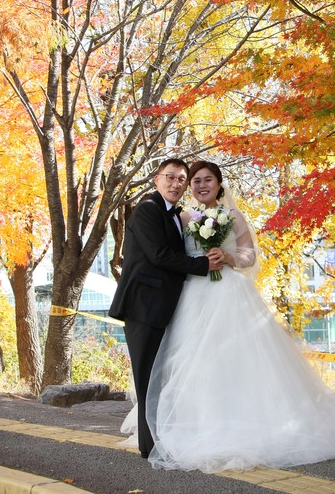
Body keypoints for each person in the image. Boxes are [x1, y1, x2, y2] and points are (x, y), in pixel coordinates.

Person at [136, 160, 335, 472]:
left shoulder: (233, 216)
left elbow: (249, 256)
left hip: (228, 293)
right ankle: (194, 425)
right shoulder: (182, 217)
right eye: (196, 181)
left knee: (238, 360)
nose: (201, 185)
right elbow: (171, 255)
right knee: (190, 362)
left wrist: (227, 256)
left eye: (208, 180)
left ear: (219, 184)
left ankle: (246, 426)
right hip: (191, 295)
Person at [108, 158, 224, 458]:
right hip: (143, 306)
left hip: (162, 306)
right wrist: (202, 264)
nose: (175, 183)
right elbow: (159, 255)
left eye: (181, 180)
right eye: (170, 177)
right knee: (148, 378)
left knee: (158, 378)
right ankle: (151, 448)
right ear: (157, 180)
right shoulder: (148, 209)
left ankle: (159, 442)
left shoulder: (175, 215)